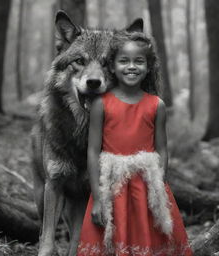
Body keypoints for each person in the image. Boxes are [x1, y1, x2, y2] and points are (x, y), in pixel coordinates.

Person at [77, 30, 193, 256]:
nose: (131, 66)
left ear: (149, 67)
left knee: (147, 236)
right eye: (124, 61)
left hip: (147, 184)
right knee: (112, 236)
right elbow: (93, 151)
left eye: (139, 61)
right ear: (111, 66)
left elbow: (162, 149)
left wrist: (158, 186)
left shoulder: (156, 105)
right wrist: (98, 198)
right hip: (111, 184)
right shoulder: (101, 104)